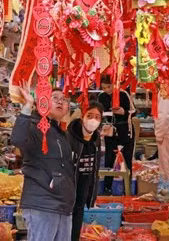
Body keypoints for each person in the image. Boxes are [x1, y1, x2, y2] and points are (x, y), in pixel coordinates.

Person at [11, 86, 75, 241]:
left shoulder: (60, 133)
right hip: (42, 203)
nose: (61, 101)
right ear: (43, 102)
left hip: (62, 205)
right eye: (55, 97)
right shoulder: (34, 125)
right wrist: (27, 106)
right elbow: (17, 139)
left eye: (64, 99)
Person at [67, 101, 103, 241]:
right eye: (90, 115)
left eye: (97, 117)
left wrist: (92, 191)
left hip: (85, 182)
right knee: (67, 219)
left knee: (78, 216)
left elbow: (96, 164)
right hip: (70, 184)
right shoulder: (70, 135)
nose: (93, 120)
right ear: (82, 116)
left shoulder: (96, 137)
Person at [98, 75, 135, 195]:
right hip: (110, 131)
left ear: (114, 84)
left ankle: (127, 187)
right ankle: (107, 188)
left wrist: (123, 112)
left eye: (109, 87)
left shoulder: (123, 94)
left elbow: (133, 111)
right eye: (104, 88)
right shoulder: (101, 96)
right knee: (109, 159)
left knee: (127, 160)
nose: (107, 90)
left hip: (125, 129)